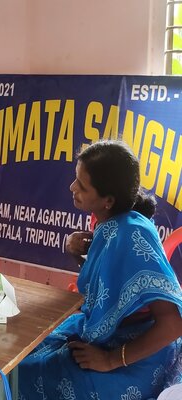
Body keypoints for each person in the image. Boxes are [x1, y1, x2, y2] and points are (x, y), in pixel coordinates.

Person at [19, 140, 182, 399]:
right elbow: (110, 286)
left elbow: (172, 324)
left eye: (82, 186)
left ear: (108, 200)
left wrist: (110, 360)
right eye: (76, 178)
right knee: (25, 348)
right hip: (114, 336)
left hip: (140, 354)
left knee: (27, 372)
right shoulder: (109, 222)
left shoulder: (132, 234)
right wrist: (75, 253)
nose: (72, 187)